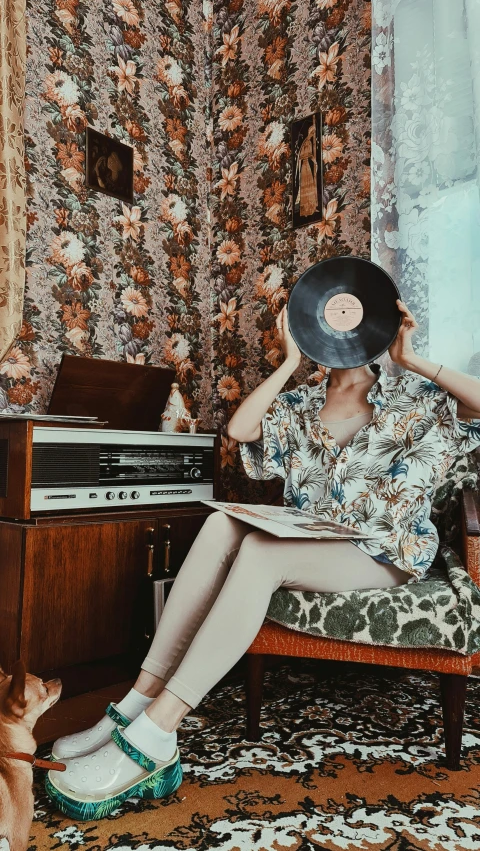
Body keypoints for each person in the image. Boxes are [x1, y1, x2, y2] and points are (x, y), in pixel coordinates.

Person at [47, 299, 480, 817]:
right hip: (315, 539)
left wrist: (410, 359)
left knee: (257, 552)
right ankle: (136, 703)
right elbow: (240, 431)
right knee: (218, 523)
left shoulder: (417, 396)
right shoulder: (297, 403)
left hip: (385, 550)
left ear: (378, 324)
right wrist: (287, 364)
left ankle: (159, 732)